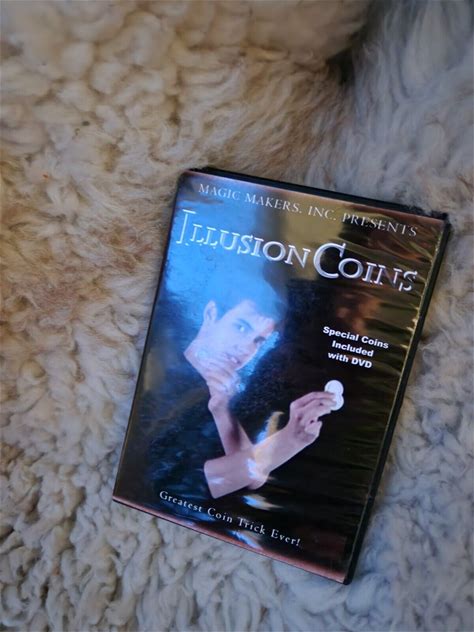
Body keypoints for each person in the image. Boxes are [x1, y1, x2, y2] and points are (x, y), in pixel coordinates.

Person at [148, 283, 337, 500]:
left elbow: (251, 478)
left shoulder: (220, 392)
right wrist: (288, 441)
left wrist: (222, 412)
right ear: (211, 315)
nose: (246, 348)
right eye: (241, 327)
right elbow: (176, 484)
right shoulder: (162, 377)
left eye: (258, 341)